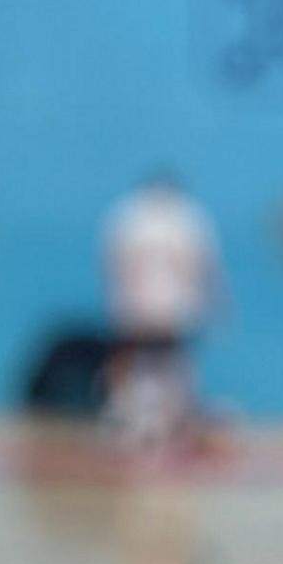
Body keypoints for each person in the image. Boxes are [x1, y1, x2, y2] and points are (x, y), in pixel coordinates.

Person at [101, 170, 221, 451]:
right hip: (170, 305)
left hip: (139, 304)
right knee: (165, 360)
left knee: (144, 360)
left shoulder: (127, 215)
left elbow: (115, 264)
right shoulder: (187, 218)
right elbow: (201, 267)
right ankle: (155, 418)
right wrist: (208, 304)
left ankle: (137, 418)